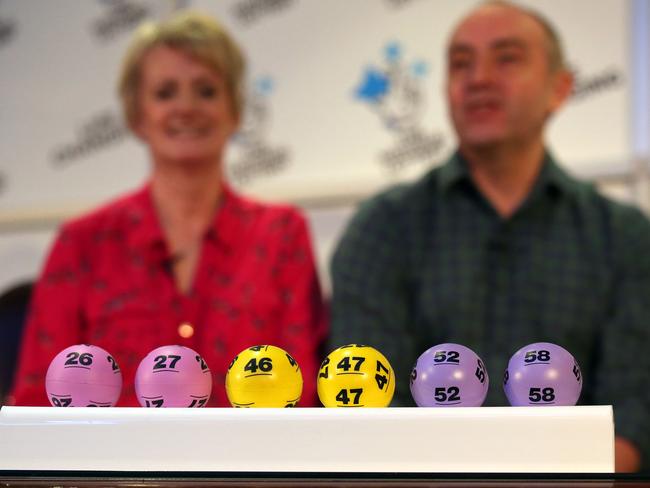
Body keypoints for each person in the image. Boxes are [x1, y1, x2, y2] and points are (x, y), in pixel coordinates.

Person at [330, 0, 649, 472]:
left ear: (559, 89)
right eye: (461, 63)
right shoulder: (382, 229)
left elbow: (633, 416)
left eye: (506, 58)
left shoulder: (623, 236)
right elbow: (365, 409)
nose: (478, 78)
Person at [11, 11, 325, 408]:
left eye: (206, 91)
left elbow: (304, 397)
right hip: (109, 469)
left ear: (235, 110)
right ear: (137, 115)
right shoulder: (82, 243)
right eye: (165, 93)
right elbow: (36, 402)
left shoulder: (282, 233)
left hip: (248, 467)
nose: (187, 107)